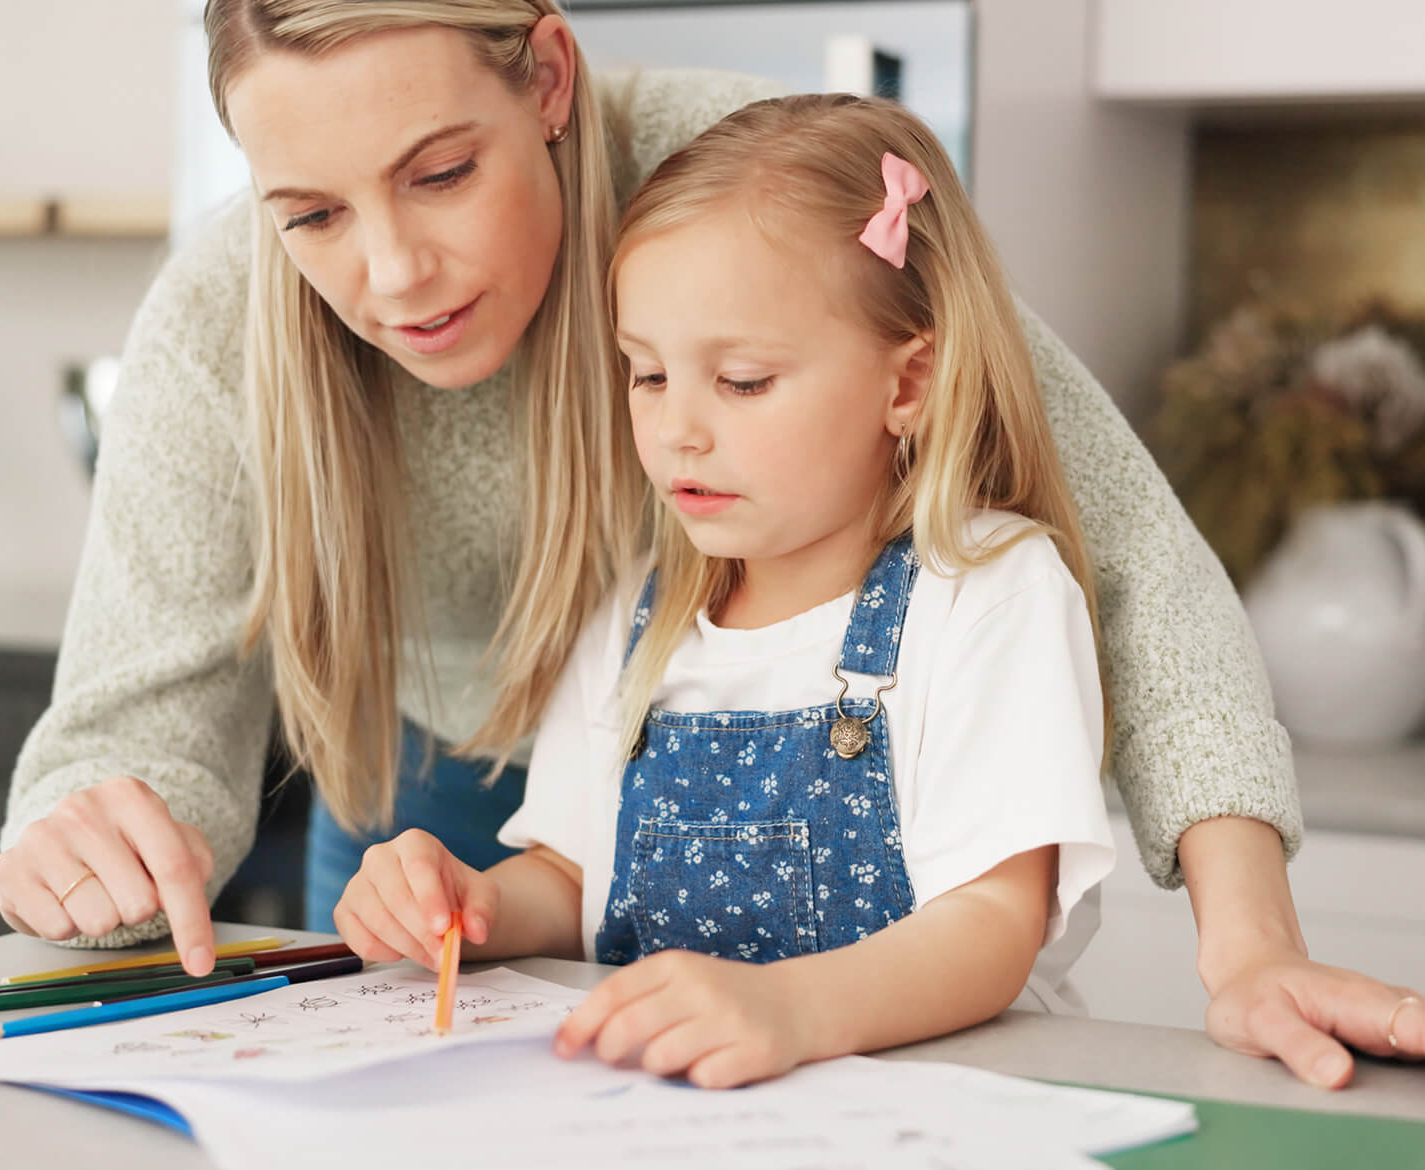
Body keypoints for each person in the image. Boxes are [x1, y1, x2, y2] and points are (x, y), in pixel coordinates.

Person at [0, 0, 1425, 1111]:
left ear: (547, 71)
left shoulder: (741, 198)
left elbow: (1121, 554)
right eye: (311, 215)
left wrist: (1249, 943)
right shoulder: (221, 324)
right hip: (479, 812)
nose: (390, 273)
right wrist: (92, 844)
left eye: (442, 172)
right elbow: (138, 737)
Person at [336, 93, 1118, 1087]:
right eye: (648, 376)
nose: (677, 433)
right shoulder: (639, 614)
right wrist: (467, 906)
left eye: (742, 381)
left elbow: (993, 924)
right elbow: (574, 877)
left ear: (907, 382)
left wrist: (787, 1008)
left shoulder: (989, 592)